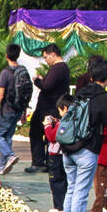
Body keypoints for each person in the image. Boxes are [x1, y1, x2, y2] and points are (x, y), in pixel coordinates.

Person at [60, 55, 107, 212]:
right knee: (82, 188)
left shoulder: (80, 93)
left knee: (72, 186)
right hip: (87, 148)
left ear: (91, 76)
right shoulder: (104, 98)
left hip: (68, 146)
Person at [0, 42, 33, 175]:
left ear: (6, 55)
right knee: (7, 137)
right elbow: (25, 93)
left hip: (7, 109)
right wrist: (24, 113)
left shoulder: (5, 73)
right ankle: (2, 165)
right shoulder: (23, 70)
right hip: (18, 110)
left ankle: (10, 155)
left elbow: (1, 95)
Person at [26, 43, 71, 173]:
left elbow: (47, 86)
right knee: (47, 135)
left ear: (53, 54)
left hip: (48, 108)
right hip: (51, 107)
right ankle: (48, 161)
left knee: (37, 133)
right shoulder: (62, 68)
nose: (45, 60)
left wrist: (37, 81)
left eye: (46, 57)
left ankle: (40, 162)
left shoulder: (58, 68)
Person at [43, 95, 70, 212]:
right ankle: (64, 205)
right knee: (64, 181)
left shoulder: (64, 122)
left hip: (56, 156)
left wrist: (47, 126)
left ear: (65, 108)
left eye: (60, 110)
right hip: (64, 155)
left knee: (56, 181)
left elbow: (52, 137)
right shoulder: (70, 122)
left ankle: (59, 207)